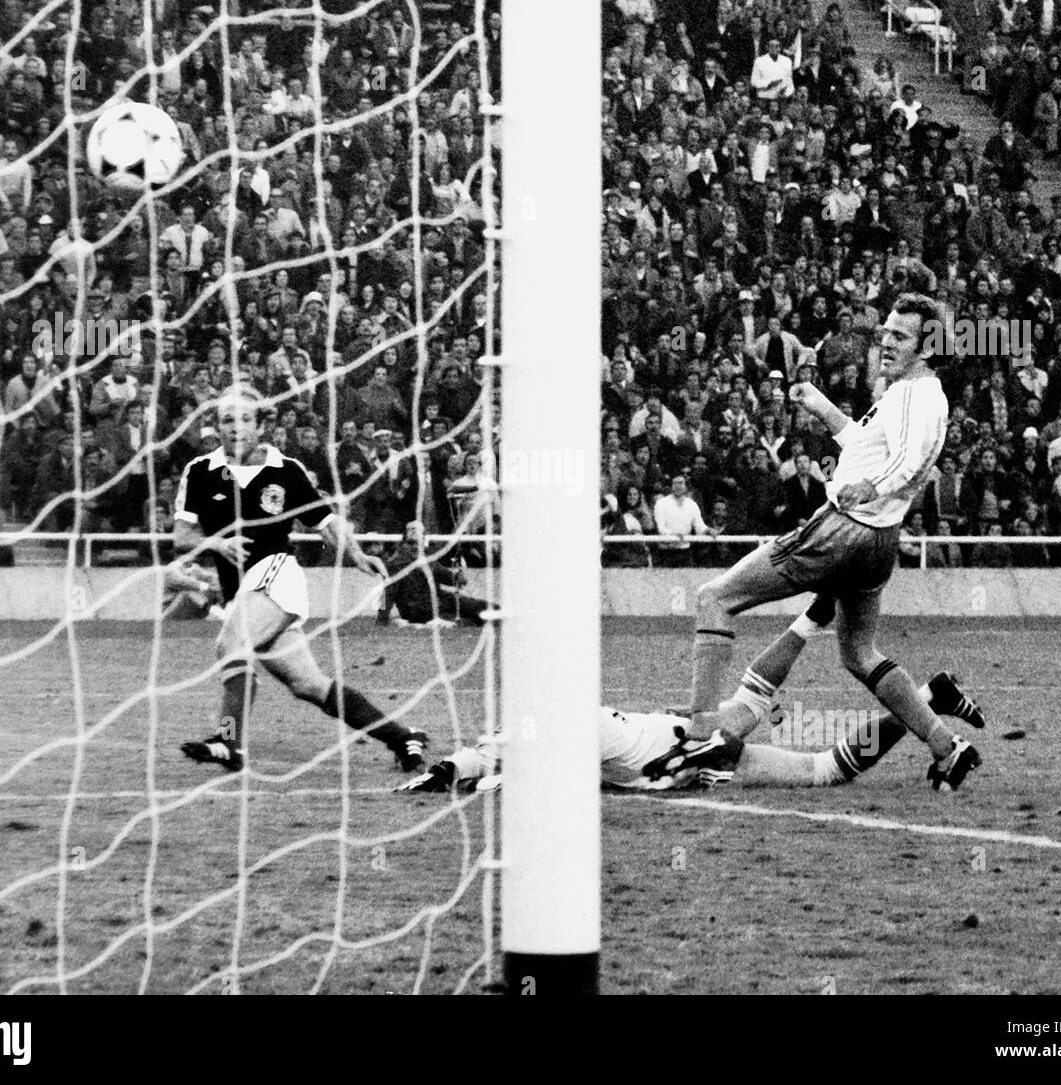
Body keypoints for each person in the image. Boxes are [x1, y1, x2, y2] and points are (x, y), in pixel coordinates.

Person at [646, 294, 982, 792]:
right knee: (860, 654)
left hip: (844, 530)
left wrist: (873, 486)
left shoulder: (918, 395)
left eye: (899, 336)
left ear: (928, 346)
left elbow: (911, 463)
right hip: (878, 542)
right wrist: (821, 404)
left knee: (714, 598)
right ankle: (946, 748)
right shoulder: (909, 392)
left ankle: (699, 736)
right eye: (885, 331)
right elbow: (868, 447)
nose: (885, 341)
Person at [399, 598, 983, 793]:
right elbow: (497, 754)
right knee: (825, 771)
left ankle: (811, 618)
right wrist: (449, 771)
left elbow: (524, 769)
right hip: (688, 755)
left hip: (689, 747)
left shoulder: (576, 728)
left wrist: (469, 778)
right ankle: (928, 696)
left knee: (749, 708)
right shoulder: (552, 724)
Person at [175, 386, 427, 773]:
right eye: (228, 420)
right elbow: (182, 537)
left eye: (245, 419)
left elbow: (327, 523)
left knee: (230, 645)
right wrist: (216, 544)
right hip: (243, 593)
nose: (236, 427)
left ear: (260, 425)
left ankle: (228, 741)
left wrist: (357, 554)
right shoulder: (200, 472)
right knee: (309, 685)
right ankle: (401, 736)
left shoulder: (286, 470)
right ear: (217, 426)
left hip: (276, 574)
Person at [383, 520, 496, 626]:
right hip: (418, 610)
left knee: (485, 607)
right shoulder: (396, 562)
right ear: (404, 536)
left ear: (424, 536)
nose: (413, 531)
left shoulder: (429, 558)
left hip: (441, 601)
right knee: (464, 619)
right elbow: (387, 593)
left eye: (417, 530)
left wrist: (459, 577)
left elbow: (451, 579)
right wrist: (381, 619)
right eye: (411, 529)